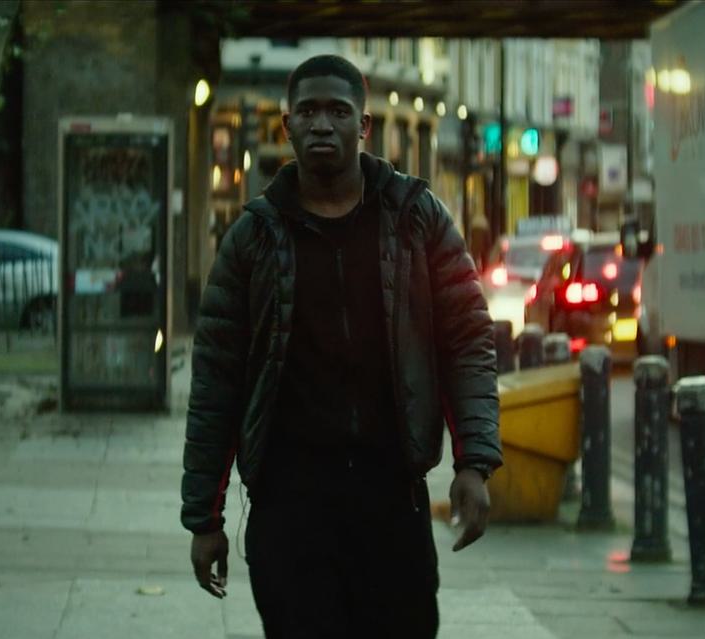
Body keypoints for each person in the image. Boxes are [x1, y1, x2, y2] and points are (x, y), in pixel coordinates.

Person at [181, 54, 501, 638]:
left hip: (390, 500)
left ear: (364, 126)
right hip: (289, 506)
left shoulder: (416, 218)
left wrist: (474, 462)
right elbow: (216, 382)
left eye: (338, 111)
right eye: (307, 111)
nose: (322, 124)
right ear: (287, 128)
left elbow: (467, 342)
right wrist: (204, 516)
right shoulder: (251, 238)